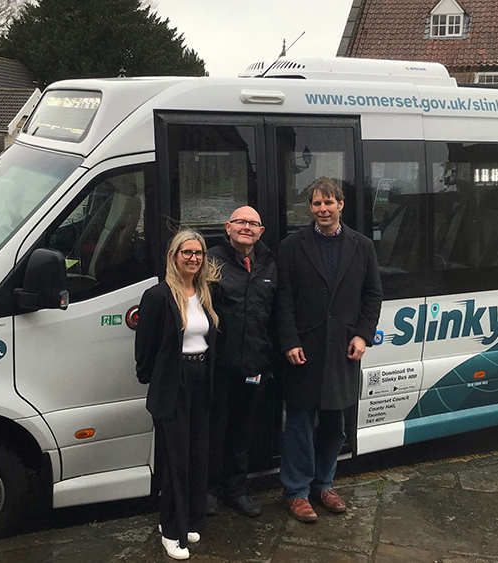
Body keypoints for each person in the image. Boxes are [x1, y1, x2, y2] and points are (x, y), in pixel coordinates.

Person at [276, 177, 382, 523]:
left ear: (341, 205)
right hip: (304, 349)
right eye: (317, 204)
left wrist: (364, 335)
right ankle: (297, 491)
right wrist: (289, 340)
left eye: (329, 202)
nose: (323, 209)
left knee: (335, 425)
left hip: (343, 349)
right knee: (299, 425)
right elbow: (284, 299)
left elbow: (372, 296)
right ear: (310, 208)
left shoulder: (362, 246)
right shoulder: (292, 246)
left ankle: (325, 484)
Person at [135, 230, 221, 560]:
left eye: (198, 253)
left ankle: (189, 520)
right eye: (187, 252)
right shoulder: (158, 296)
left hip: (202, 380)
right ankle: (170, 530)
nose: (194, 258)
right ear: (174, 256)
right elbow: (144, 348)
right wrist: (153, 379)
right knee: (174, 459)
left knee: (197, 454)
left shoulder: (206, 293)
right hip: (173, 382)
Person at [207, 206, 277, 518]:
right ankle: (208, 491)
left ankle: (236, 490)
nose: (246, 227)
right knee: (214, 431)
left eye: (253, 223)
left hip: (255, 365)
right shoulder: (210, 260)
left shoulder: (270, 263)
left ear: (261, 231)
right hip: (219, 366)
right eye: (240, 222)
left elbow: (279, 311)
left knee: (243, 433)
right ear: (228, 227)